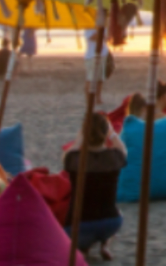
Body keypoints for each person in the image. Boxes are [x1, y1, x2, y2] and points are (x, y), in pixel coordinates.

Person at [64, 111, 127, 259]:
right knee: (117, 211)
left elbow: (67, 154)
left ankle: (84, 248)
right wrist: (112, 134)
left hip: (79, 226)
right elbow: (123, 150)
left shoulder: (74, 159)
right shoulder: (114, 157)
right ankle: (105, 244)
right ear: (105, 134)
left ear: (84, 133)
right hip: (110, 223)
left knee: (75, 229)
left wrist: (79, 140)